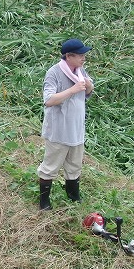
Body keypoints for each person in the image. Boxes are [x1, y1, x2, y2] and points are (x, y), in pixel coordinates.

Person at [37, 38, 94, 210]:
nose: (84, 58)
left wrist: (88, 85)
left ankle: (73, 196)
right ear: (68, 56)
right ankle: (44, 202)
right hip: (58, 131)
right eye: (80, 55)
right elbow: (48, 100)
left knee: (75, 166)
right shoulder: (53, 73)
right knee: (50, 167)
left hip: (76, 130)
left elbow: (89, 91)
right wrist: (73, 89)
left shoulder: (79, 70)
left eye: (84, 55)